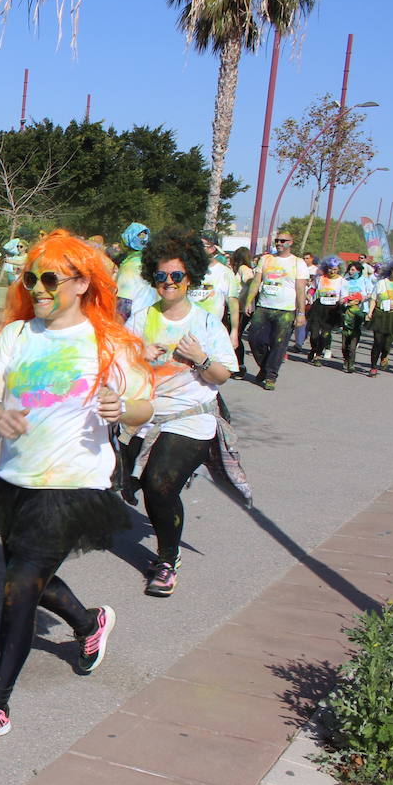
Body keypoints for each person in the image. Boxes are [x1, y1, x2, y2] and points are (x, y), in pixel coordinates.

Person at [0, 230, 152, 746]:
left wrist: (122, 409)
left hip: (73, 484)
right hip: (16, 480)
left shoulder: (106, 340)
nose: (38, 288)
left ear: (83, 282)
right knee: (26, 575)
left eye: (50, 279)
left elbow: (143, 406)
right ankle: (89, 623)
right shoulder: (17, 337)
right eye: (31, 278)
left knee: (19, 588)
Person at [120, 230, 236, 597]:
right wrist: (139, 356)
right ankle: (156, 484)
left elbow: (223, 375)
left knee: (160, 483)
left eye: (176, 276)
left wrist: (201, 358)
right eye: (161, 276)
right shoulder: (140, 319)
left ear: (191, 279)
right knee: (130, 483)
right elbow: (120, 368)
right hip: (148, 415)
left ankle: (167, 560)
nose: (168, 283)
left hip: (192, 415)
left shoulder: (204, 323)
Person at [243, 230, 308, 390]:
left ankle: (271, 375)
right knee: (255, 339)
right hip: (264, 307)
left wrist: (301, 313)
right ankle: (265, 368)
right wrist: (249, 301)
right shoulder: (266, 259)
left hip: (285, 310)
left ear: (291, 243)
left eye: (283, 241)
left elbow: (300, 289)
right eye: (277, 240)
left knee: (278, 344)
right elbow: (256, 282)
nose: (279, 243)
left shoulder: (298, 262)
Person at [366, 262, 393, 377]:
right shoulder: (381, 283)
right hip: (380, 314)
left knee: (386, 344)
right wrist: (370, 312)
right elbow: (374, 299)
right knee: (377, 342)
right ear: (390, 270)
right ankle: (373, 368)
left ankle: (384, 355)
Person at [305, 256, 344, 366]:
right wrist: (309, 294)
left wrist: (343, 300)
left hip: (332, 310)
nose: (332, 271)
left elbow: (344, 295)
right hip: (319, 308)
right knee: (314, 334)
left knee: (325, 335)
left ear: (339, 270)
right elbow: (313, 288)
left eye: (335, 269)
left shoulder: (342, 281)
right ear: (326, 268)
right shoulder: (320, 278)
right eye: (330, 268)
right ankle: (313, 349)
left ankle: (318, 355)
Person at [114, 221, 156, 322]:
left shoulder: (130, 267)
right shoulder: (152, 261)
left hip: (132, 326)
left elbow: (124, 306)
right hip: (151, 323)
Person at [340, 260, 371, 374]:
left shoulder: (364, 280)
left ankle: (351, 364)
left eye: (353, 270)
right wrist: (346, 301)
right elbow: (342, 295)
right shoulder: (345, 281)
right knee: (344, 343)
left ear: (359, 271)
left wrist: (361, 298)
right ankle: (346, 358)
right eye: (349, 270)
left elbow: (371, 293)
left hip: (359, 312)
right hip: (347, 312)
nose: (350, 272)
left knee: (353, 337)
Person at [228, 246, 255, 376]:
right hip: (236, 307)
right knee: (233, 335)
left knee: (236, 336)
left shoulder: (244, 269)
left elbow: (251, 282)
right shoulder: (238, 270)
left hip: (241, 308)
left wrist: (246, 300)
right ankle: (235, 364)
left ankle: (240, 366)